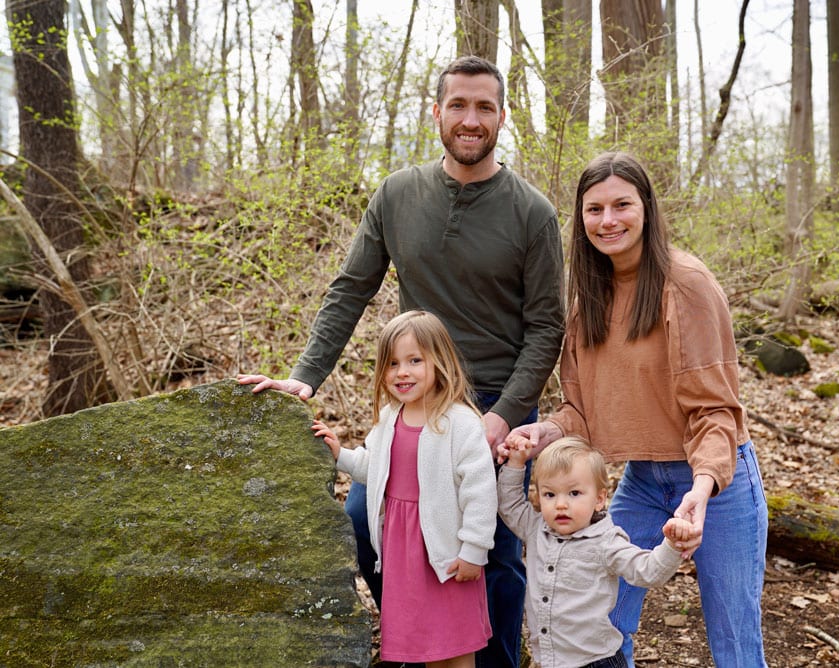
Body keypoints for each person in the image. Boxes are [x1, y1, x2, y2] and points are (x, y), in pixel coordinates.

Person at [237, 55, 564, 668]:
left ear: (501, 116)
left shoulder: (533, 214)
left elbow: (548, 328)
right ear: (437, 113)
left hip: (497, 402)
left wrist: (505, 415)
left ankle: (492, 659)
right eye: (459, 106)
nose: (471, 119)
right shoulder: (398, 193)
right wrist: (305, 377)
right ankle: (426, 641)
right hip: (418, 398)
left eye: (485, 107)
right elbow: (350, 289)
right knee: (367, 522)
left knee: (491, 551)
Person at [502, 152, 768, 667]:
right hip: (642, 481)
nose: (609, 220)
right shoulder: (588, 299)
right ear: (580, 220)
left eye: (622, 205)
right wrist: (544, 432)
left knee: (733, 641)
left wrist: (702, 487)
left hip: (719, 481)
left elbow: (716, 412)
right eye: (594, 209)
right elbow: (582, 409)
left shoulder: (685, 285)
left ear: (645, 207)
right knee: (602, 623)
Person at [312, 310, 497, 667]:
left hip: (445, 551)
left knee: (456, 646)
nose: (402, 372)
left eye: (414, 360)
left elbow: (480, 490)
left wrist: (474, 548)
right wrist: (340, 454)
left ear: (439, 362)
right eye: (393, 363)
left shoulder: (459, 421)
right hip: (403, 551)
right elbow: (376, 469)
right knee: (423, 645)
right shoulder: (390, 418)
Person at [498, 435, 693, 668]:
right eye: (550, 494)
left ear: (599, 499)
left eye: (574, 493)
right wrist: (515, 464)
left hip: (596, 662)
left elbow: (648, 571)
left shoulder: (606, 542)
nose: (561, 504)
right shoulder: (535, 528)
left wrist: (672, 545)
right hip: (549, 661)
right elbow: (509, 505)